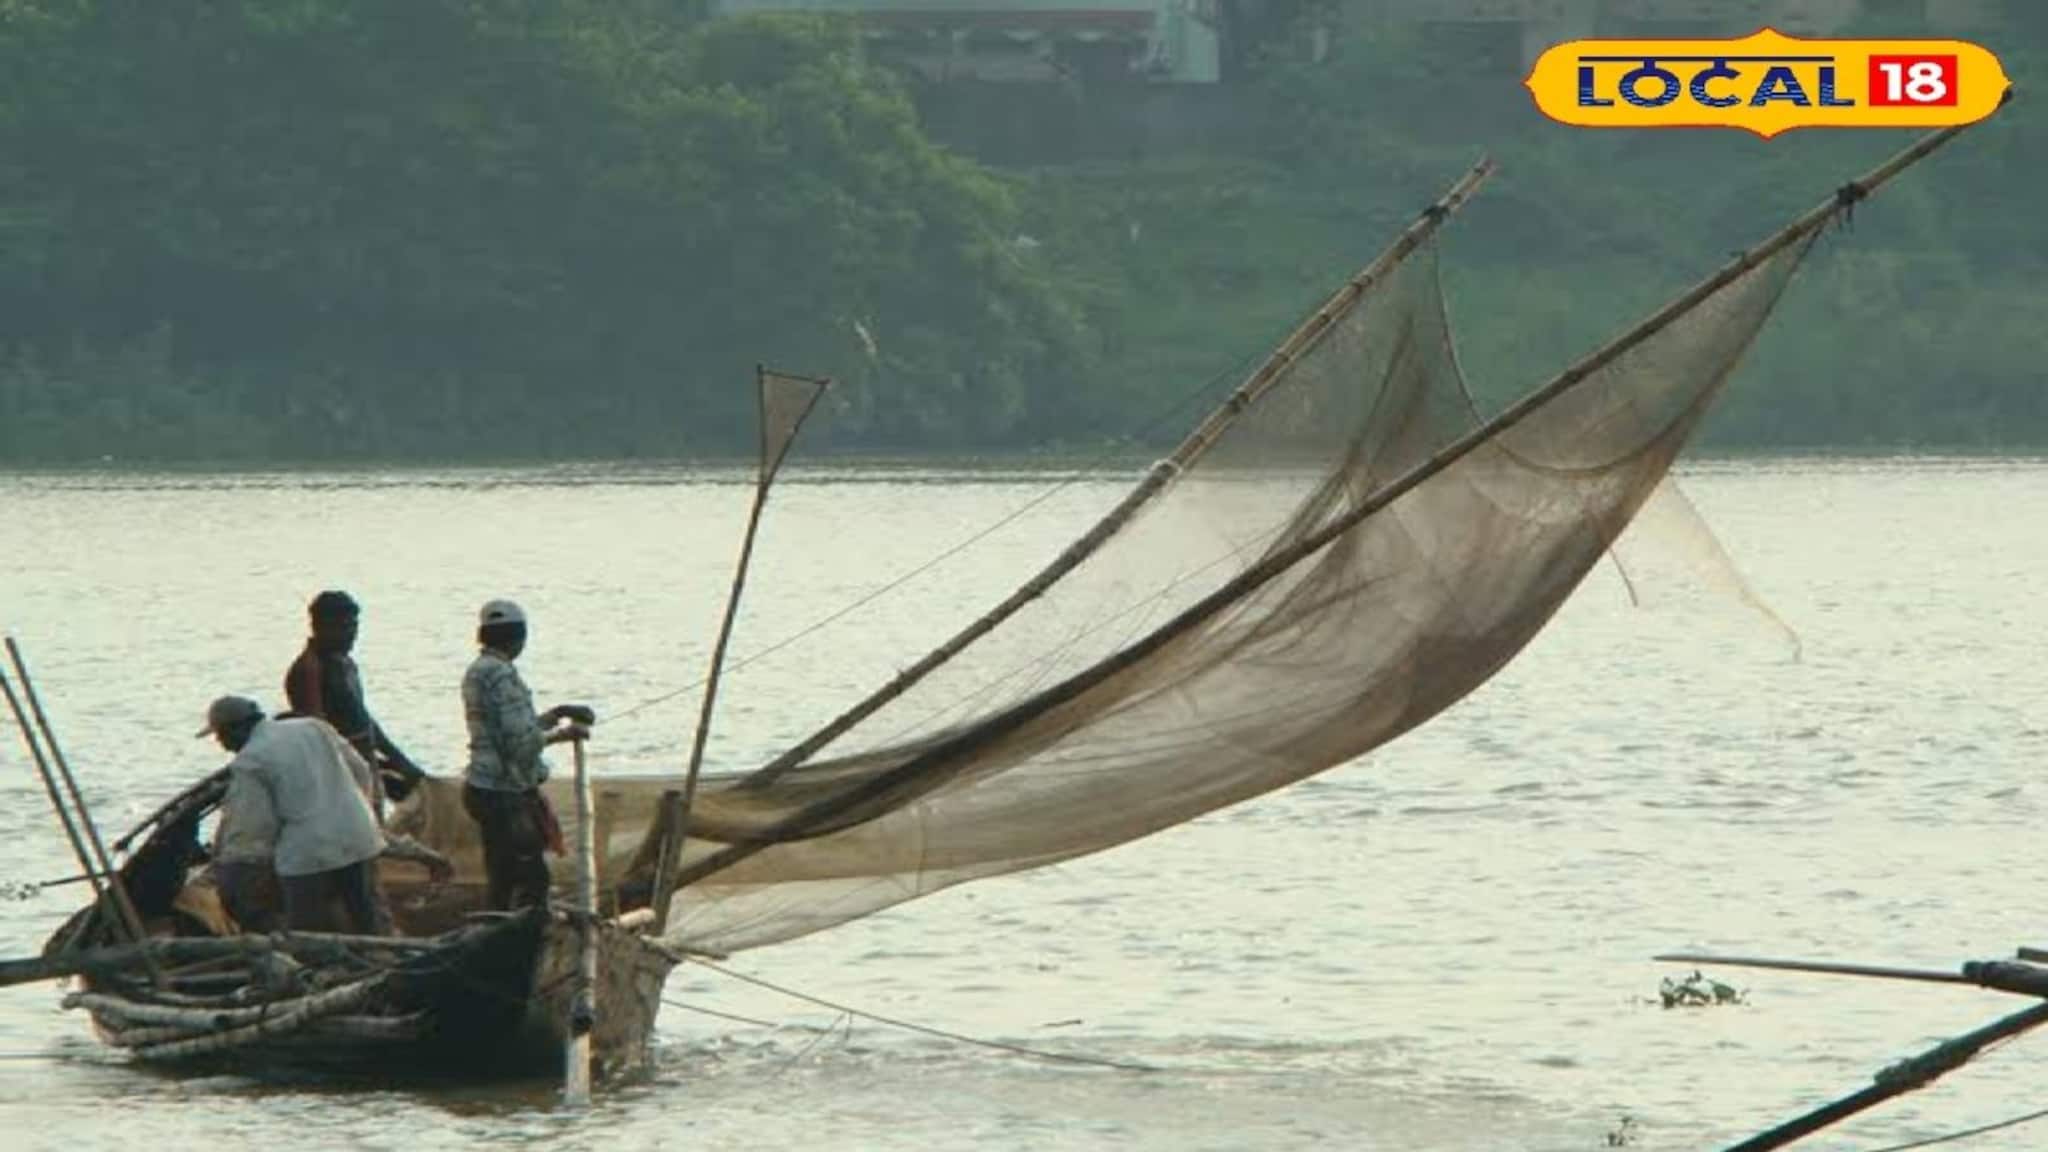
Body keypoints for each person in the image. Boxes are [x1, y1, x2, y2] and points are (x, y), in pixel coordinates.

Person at [199, 694, 391, 935]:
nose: (222, 744)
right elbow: (361, 771)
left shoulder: (251, 760)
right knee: (367, 913)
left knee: (311, 932)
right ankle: (382, 958)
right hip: (360, 835)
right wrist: (354, 812)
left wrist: (236, 866)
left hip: (307, 853)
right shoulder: (312, 727)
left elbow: (254, 826)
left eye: (221, 736)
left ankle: (322, 969)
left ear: (235, 730)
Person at [460, 599, 593, 912]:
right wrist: (564, 735)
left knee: (503, 875)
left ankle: (497, 928)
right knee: (531, 880)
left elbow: (511, 726)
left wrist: (558, 713)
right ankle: (518, 940)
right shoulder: (502, 676)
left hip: (483, 787)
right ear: (518, 638)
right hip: (503, 793)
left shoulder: (479, 671)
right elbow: (519, 743)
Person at [284, 590, 428, 803]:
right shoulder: (309, 669)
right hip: (340, 778)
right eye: (342, 627)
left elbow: (363, 719)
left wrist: (398, 761)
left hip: (366, 766)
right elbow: (319, 736)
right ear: (319, 626)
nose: (351, 634)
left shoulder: (345, 663)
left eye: (354, 626)